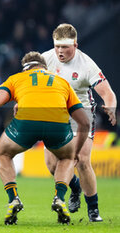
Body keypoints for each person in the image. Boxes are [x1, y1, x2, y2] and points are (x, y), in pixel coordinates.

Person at [0, 51, 90, 225]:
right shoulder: (62, 82)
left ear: (25, 68)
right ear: (44, 67)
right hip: (57, 125)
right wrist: (75, 151)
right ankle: (59, 198)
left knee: (3, 153)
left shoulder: (16, 79)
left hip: (26, 124)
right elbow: (84, 123)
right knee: (66, 157)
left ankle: (13, 198)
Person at [42, 23, 117, 222]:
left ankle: (93, 210)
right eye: (57, 46)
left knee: (82, 160)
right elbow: (28, 82)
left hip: (80, 115)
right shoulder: (44, 59)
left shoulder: (87, 65)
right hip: (54, 115)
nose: (59, 51)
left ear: (75, 44)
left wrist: (110, 106)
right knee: (51, 165)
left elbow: (107, 93)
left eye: (64, 47)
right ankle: (75, 188)